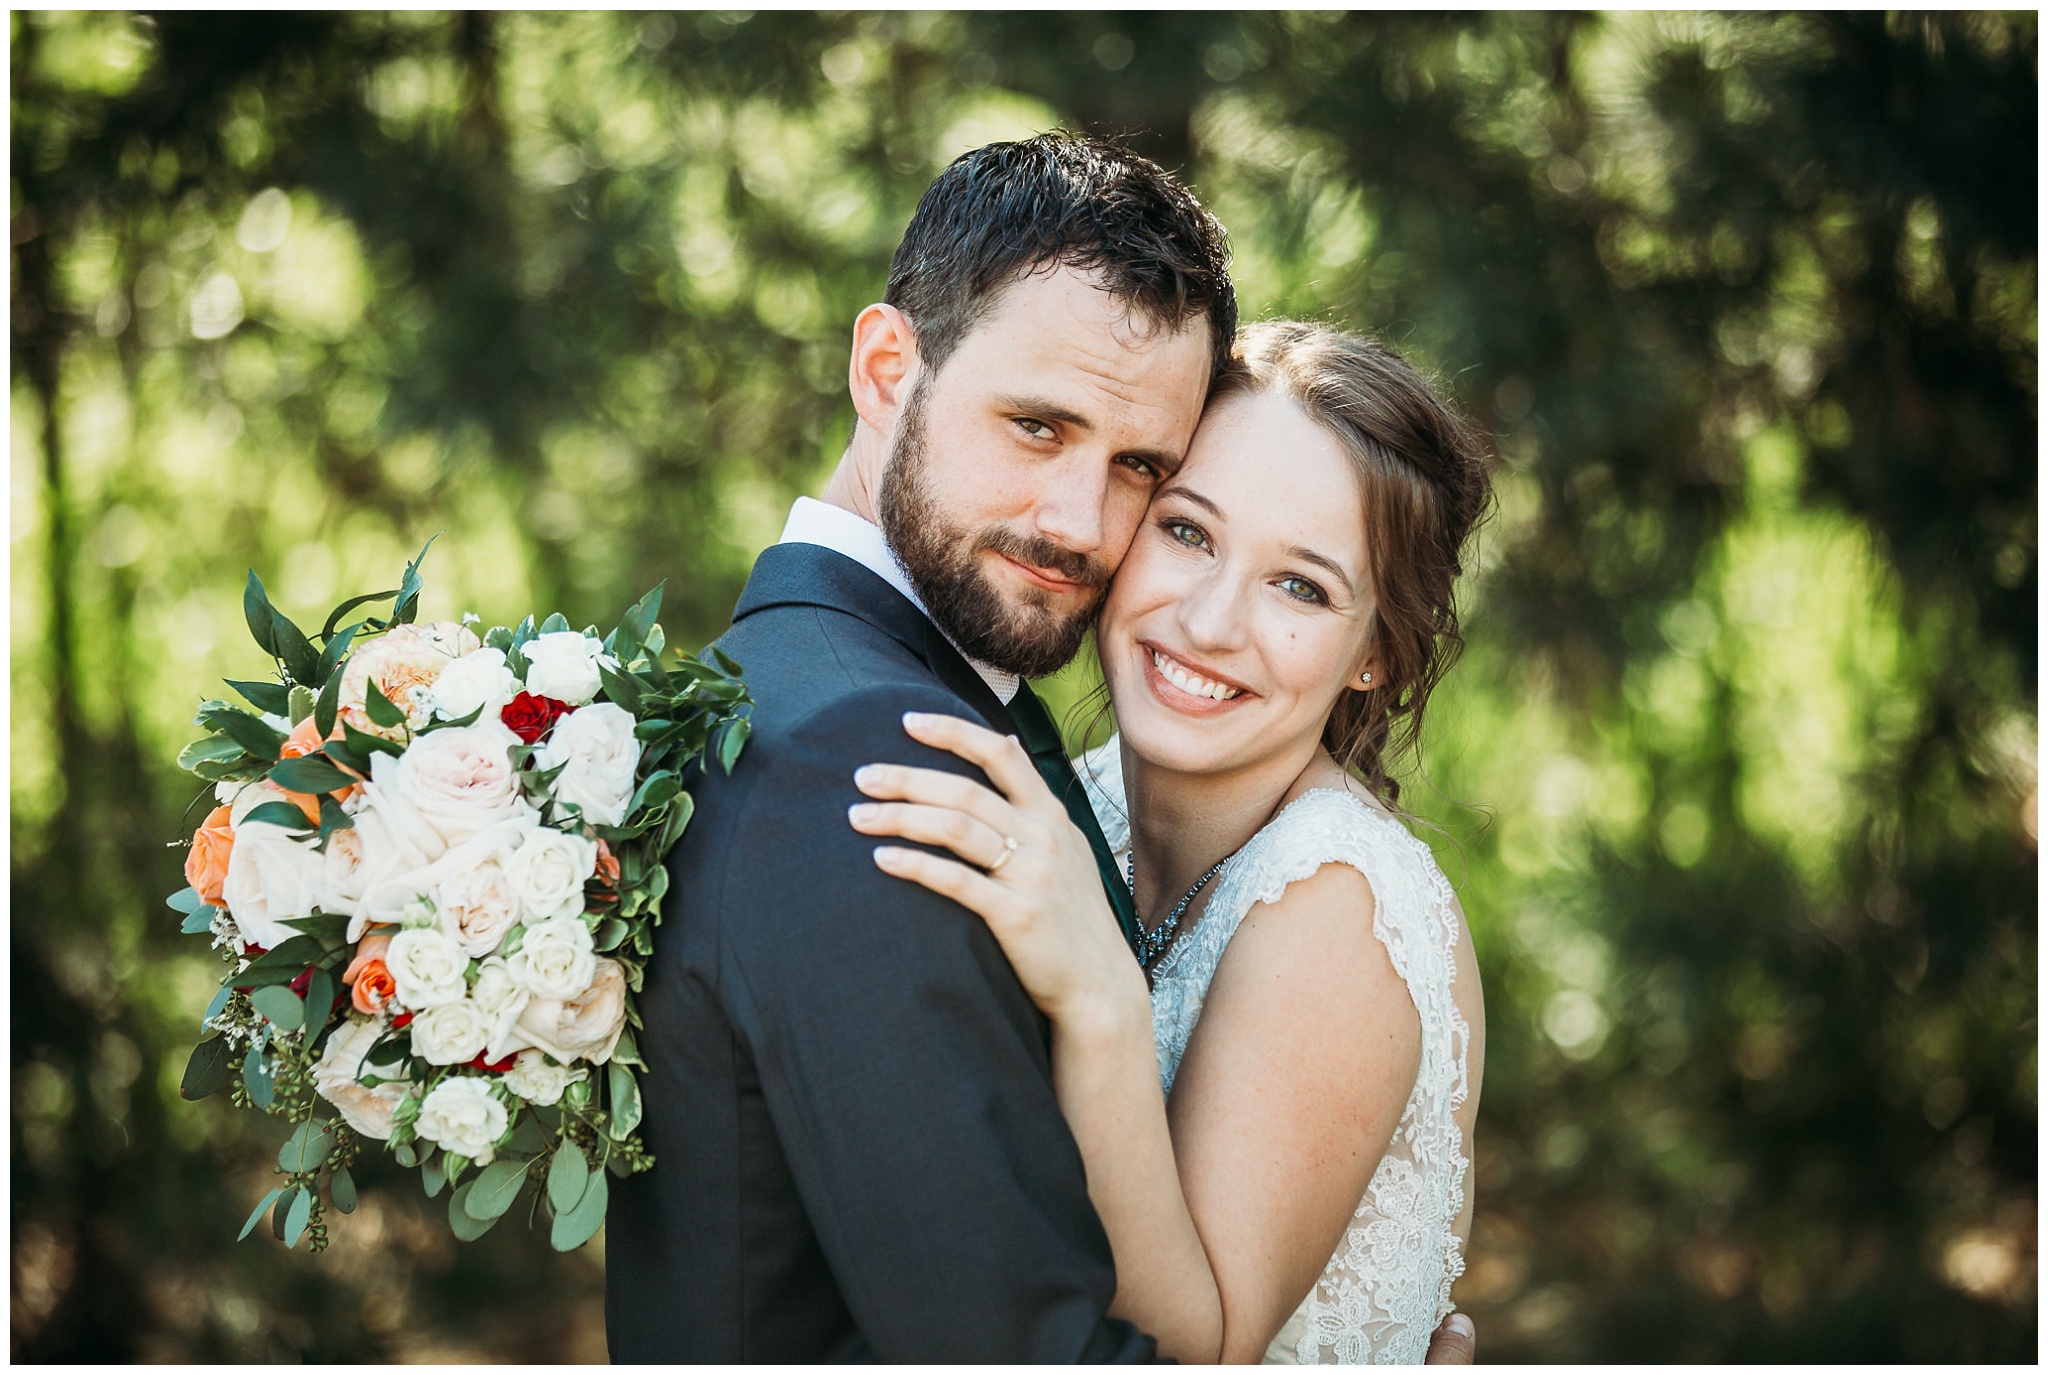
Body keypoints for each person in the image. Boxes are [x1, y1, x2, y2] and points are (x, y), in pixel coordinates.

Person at [847, 320, 1493, 1363]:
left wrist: (1099, 998)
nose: (1208, 619)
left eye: (1300, 586)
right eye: (1187, 531)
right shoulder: (1075, 803)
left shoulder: (1336, 907)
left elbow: (1197, 1351)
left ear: (1373, 651)